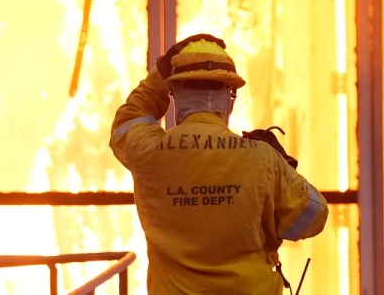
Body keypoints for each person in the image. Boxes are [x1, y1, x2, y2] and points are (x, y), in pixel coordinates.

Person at [110, 34, 329, 295]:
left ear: (174, 95)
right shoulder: (262, 159)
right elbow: (313, 218)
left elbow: (128, 121)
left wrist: (160, 72)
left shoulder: (148, 152)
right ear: (230, 97)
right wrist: (284, 168)